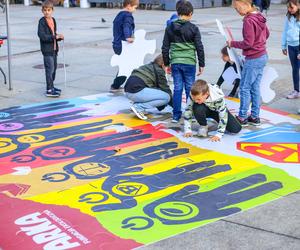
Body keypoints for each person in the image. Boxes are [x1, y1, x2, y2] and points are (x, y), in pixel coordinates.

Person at [162, 0, 205, 123]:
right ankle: (190, 114)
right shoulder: (194, 28)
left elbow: (165, 48)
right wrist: (202, 64)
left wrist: (166, 63)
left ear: (177, 12)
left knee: (177, 88)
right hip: (189, 63)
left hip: (176, 62)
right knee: (190, 89)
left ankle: (176, 115)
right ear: (190, 13)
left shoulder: (170, 28)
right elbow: (199, 47)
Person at [227, 0, 269, 127]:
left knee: (245, 87)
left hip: (253, 58)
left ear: (244, 4)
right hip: (262, 55)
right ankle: (255, 116)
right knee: (255, 87)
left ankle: (242, 116)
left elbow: (248, 43)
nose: (237, 11)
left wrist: (232, 43)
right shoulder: (260, 15)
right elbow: (267, 34)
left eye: (237, 8)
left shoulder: (248, 20)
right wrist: (259, 43)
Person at [125, 54, 172, 120]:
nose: (168, 69)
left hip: (128, 92)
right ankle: (138, 107)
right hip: (136, 92)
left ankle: (137, 104)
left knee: (158, 93)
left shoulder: (148, 66)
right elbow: (165, 89)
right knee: (166, 97)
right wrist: (175, 108)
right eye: (168, 66)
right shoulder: (159, 71)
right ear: (163, 65)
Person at [110, 0, 139, 93]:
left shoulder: (119, 15)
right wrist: (128, 37)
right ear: (129, 6)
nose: (135, 10)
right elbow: (126, 26)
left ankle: (116, 85)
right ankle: (116, 85)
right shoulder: (127, 15)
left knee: (124, 65)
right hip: (123, 45)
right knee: (126, 66)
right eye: (135, 7)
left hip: (116, 44)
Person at [38, 0, 64, 97]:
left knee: (54, 69)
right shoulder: (42, 22)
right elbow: (42, 36)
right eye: (45, 10)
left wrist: (59, 37)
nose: (47, 12)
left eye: (49, 10)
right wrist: (54, 37)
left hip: (54, 49)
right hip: (47, 50)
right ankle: (49, 89)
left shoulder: (53, 20)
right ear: (42, 11)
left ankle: (51, 86)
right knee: (50, 69)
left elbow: (53, 34)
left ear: (52, 10)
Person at [281, 0, 300, 99]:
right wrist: (283, 45)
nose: (289, 9)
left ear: (298, 6)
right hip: (291, 47)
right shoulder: (288, 17)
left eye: (291, 7)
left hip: (299, 46)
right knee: (295, 69)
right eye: (288, 7)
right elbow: (285, 31)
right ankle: (296, 90)